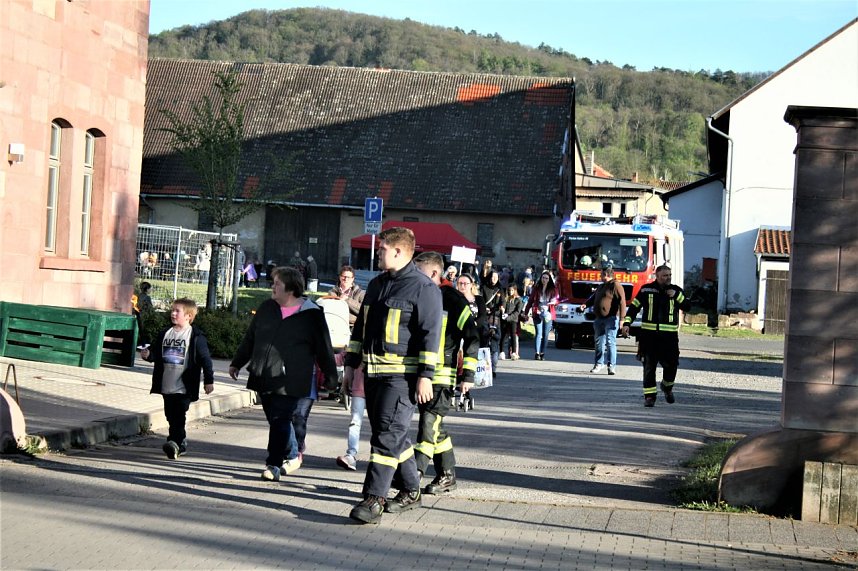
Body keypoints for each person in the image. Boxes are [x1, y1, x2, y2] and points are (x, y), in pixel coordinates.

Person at [343, 227, 442, 524]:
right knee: (392, 436)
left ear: (398, 251)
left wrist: (426, 375)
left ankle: (374, 498)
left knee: (386, 438)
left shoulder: (424, 288)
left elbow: (431, 335)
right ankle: (411, 489)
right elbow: (361, 329)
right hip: (373, 375)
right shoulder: (376, 285)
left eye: (382, 249)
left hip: (402, 379)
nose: (377, 252)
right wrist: (350, 365)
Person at [229, 266, 338, 480]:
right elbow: (250, 337)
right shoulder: (267, 308)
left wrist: (331, 377)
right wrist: (237, 363)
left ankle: (273, 464)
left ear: (290, 288)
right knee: (275, 419)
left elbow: (323, 347)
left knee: (280, 418)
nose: (272, 286)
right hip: (264, 374)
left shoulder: (312, 314)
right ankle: (293, 452)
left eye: (277, 283)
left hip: (292, 378)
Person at [406, 252, 479, 495]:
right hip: (420, 374)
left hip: (441, 376)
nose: (414, 276)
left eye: (419, 272)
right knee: (436, 428)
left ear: (435, 273)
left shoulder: (453, 300)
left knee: (428, 425)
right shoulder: (418, 294)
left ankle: (411, 478)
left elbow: (473, 336)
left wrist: (468, 376)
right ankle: (447, 475)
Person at [141, 298, 214, 459]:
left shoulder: (195, 336)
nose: (173, 313)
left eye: (177, 311)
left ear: (188, 316)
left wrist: (209, 380)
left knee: (179, 415)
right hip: (167, 383)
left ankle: (175, 443)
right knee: (170, 415)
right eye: (172, 310)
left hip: (184, 385)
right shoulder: (165, 333)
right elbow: (156, 353)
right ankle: (178, 441)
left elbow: (205, 360)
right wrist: (148, 355)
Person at [621, 265, 691, 407]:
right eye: (665, 275)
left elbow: (688, 306)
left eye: (669, 275)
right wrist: (627, 323)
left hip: (669, 338)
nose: (668, 278)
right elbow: (634, 307)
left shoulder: (676, 290)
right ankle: (650, 397)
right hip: (649, 337)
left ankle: (667, 387)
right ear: (657, 276)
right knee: (649, 367)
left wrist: (676, 296)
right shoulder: (646, 290)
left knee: (672, 365)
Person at [580, 266, 626, 375]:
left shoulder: (615, 285)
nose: (600, 276)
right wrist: (585, 305)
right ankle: (599, 363)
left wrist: (622, 319)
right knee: (599, 343)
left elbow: (622, 302)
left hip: (611, 318)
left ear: (606, 274)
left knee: (610, 342)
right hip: (599, 319)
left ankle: (611, 366)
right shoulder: (601, 286)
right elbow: (594, 298)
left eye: (601, 274)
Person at [524, 271, 558, 360]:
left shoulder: (553, 289)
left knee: (545, 334)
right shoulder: (536, 288)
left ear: (549, 280)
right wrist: (526, 313)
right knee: (538, 333)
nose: (544, 280)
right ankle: (537, 353)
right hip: (537, 312)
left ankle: (542, 353)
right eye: (543, 278)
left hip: (548, 314)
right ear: (541, 278)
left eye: (546, 278)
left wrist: (554, 302)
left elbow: (557, 300)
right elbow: (530, 300)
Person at [500, 284, 523, 360]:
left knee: (513, 336)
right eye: (509, 290)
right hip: (505, 319)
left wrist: (509, 317)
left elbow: (517, 311)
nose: (510, 292)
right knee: (503, 335)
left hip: (513, 320)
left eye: (512, 290)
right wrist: (503, 310)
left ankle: (514, 352)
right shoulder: (506, 298)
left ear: (515, 290)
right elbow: (503, 306)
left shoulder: (518, 300)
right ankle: (501, 352)